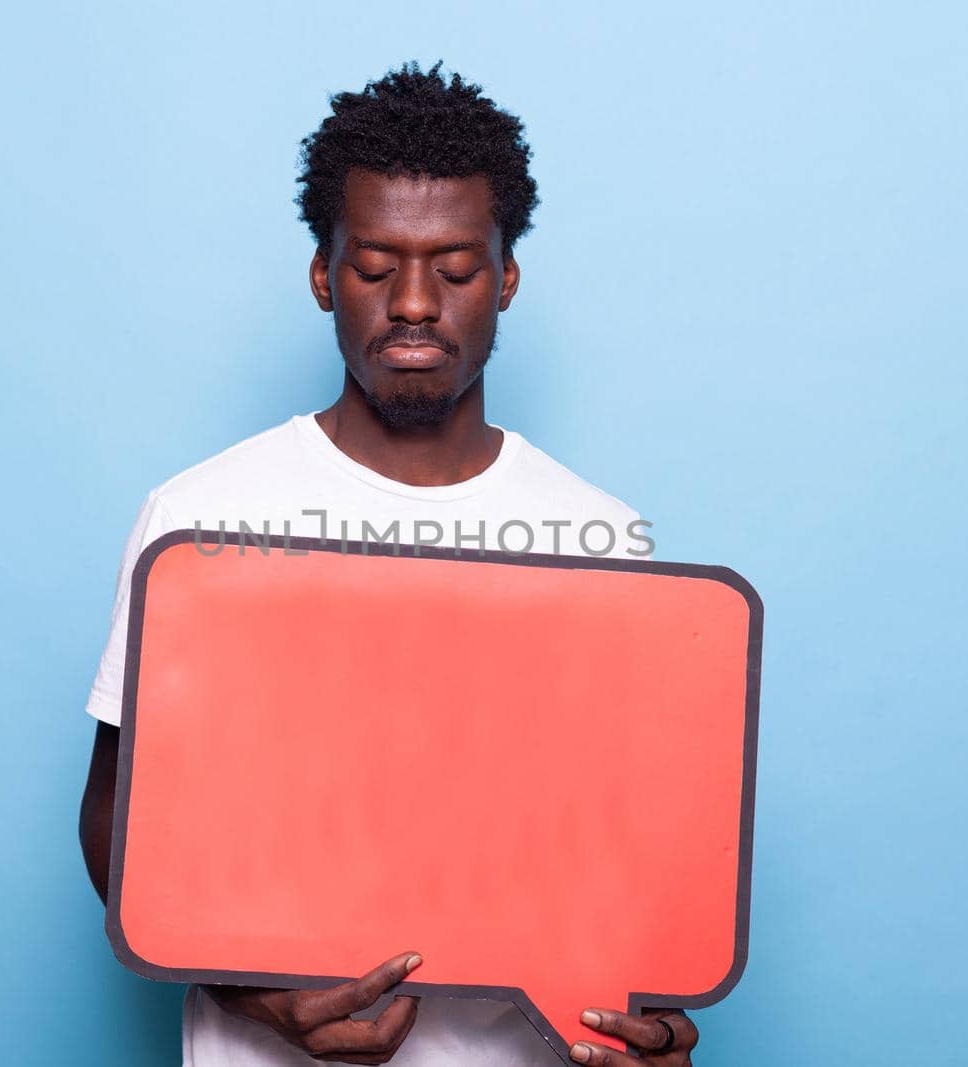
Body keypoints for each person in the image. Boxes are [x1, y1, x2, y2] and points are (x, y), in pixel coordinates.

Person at [78, 62, 699, 1067]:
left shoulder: (605, 539)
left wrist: (649, 1013)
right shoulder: (199, 515)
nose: (414, 302)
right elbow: (116, 813)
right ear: (324, 275)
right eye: (375, 266)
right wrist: (253, 991)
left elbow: (637, 842)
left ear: (503, 279)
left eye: (454, 268)